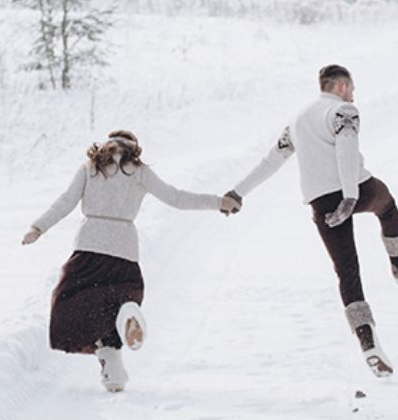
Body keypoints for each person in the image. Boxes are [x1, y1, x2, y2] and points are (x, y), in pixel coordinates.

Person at [224, 64, 398, 378]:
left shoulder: (297, 121)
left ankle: (368, 342)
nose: (354, 95)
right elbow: (346, 148)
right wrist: (351, 196)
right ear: (341, 86)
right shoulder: (344, 111)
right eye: (352, 88)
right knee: (386, 205)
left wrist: (238, 192)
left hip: (321, 200)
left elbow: (271, 160)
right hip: (353, 189)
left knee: (347, 271)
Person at [23, 130, 241, 392]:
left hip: (89, 245)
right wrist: (219, 202)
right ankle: (117, 353)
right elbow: (176, 197)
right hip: (124, 248)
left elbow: (66, 201)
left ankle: (116, 337)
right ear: (133, 148)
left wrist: (38, 227)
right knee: (115, 301)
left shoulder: (90, 168)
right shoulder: (139, 172)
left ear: (107, 145)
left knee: (69, 299)